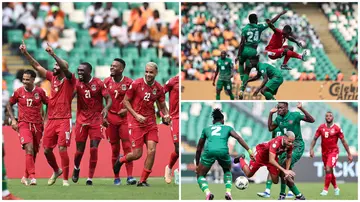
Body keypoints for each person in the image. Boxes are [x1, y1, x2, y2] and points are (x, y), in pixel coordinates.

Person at [19, 41, 76, 186]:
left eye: (57, 66)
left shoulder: (70, 80)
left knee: (62, 148)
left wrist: (53, 55)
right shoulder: (53, 78)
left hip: (65, 119)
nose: (54, 67)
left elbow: (64, 67)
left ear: (63, 68)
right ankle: (56, 170)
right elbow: (37, 66)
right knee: (46, 150)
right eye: (55, 65)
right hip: (51, 119)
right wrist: (25, 53)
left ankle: (65, 180)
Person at [113, 62, 171, 186]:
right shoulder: (136, 84)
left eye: (151, 72)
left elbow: (162, 106)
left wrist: (166, 115)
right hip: (136, 122)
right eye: (146, 71)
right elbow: (126, 101)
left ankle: (143, 180)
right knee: (137, 154)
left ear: (156, 73)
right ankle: (121, 160)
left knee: (152, 150)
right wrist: (136, 115)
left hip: (150, 123)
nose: (148, 74)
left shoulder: (159, 88)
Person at [195, 108, 254, 200]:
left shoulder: (206, 129)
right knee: (227, 171)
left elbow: (199, 148)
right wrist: (249, 151)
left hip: (209, 151)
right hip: (223, 151)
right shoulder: (227, 128)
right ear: (222, 120)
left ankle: (208, 193)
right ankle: (228, 192)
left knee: (200, 175)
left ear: (213, 121)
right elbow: (238, 138)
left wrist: (197, 164)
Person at [72, 62, 112, 185]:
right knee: (79, 150)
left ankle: (90, 178)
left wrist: (106, 108)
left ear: (89, 71)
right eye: (78, 70)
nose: (79, 73)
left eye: (81, 71)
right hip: (81, 121)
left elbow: (109, 99)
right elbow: (69, 97)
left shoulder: (99, 83)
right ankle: (76, 168)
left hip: (96, 120)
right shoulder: (77, 84)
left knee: (94, 148)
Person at [6, 69, 48, 186]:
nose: (24, 81)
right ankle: (33, 177)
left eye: (27, 79)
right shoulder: (19, 91)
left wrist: (45, 120)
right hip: (23, 124)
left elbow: (48, 103)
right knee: (28, 148)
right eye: (23, 79)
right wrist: (14, 120)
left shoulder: (40, 91)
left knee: (33, 152)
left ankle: (25, 176)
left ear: (33, 80)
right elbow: (9, 103)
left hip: (38, 125)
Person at [268, 102, 314, 200]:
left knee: (284, 167)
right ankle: (282, 194)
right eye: (278, 107)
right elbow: (270, 128)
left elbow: (312, 120)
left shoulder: (295, 115)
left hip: (297, 145)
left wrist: (302, 109)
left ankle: (299, 196)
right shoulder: (278, 118)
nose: (279, 109)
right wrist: (270, 114)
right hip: (285, 147)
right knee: (283, 170)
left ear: (286, 108)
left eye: (281, 108)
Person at [236, 11, 287, 99]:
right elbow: (271, 22)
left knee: (241, 65)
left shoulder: (244, 29)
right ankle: (243, 83)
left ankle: (241, 87)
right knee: (248, 69)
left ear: (249, 20)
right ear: (256, 20)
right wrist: (280, 14)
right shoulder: (259, 27)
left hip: (244, 49)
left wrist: (238, 55)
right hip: (252, 50)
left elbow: (242, 43)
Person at [103, 58, 136, 185]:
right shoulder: (105, 82)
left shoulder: (129, 83)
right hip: (111, 119)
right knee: (114, 149)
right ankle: (116, 177)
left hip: (124, 120)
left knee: (128, 147)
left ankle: (130, 176)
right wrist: (103, 118)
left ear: (121, 69)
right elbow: (102, 102)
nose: (112, 68)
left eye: (115, 66)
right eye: (111, 66)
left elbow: (135, 100)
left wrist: (127, 111)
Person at [309, 111, 353, 196]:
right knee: (329, 171)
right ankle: (336, 188)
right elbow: (314, 139)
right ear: (325, 118)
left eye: (330, 116)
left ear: (333, 118)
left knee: (328, 169)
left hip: (333, 152)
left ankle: (325, 190)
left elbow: (343, 141)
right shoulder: (321, 127)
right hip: (324, 152)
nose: (328, 117)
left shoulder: (337, 128)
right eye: (327, 116)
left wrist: (349, 154)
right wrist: (311, 149)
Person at [163, 75, 179, 184]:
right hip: (176, 117)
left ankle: (178, 171)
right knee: (177, 148)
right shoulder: (173, 81)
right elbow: (159, 95)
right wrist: (164, 113)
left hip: (185, 116)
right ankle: (169, 168)